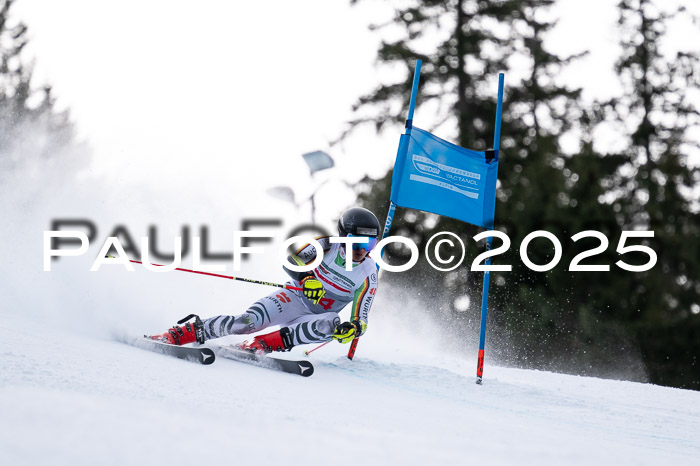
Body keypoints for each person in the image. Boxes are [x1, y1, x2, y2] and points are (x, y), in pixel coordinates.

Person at [149, 207, 380, 354]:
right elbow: (291, 261)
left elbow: (362, 320)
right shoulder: (326, 245)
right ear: (342, 236)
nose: (361, 249)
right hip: (293, 298)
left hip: (316, 317)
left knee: (332, 322)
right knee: (247, 322)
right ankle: (182, 333)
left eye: (369, 244)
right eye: (356, 241)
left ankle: (263, 344)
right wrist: (307, 278)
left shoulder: (368, 275)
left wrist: (352, 329)